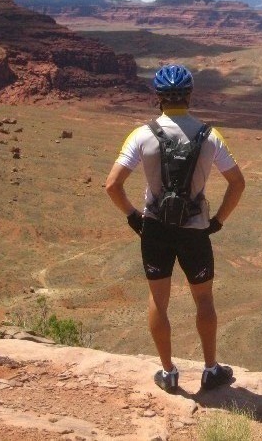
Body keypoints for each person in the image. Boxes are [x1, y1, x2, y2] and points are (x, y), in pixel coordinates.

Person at [105, 64, 245, 394]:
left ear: (158, 98)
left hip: (154, 230)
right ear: (190, 95)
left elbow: (112, 185)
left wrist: (132, 216)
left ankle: (168, 373)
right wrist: (218, 220)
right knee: (204, 300)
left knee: (158, 300)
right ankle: (211, 370)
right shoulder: (210, 135)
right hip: (195, 230)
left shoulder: (141, 135)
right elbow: (237, 183)